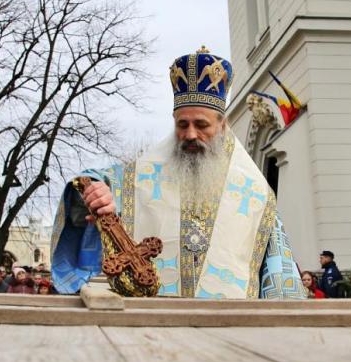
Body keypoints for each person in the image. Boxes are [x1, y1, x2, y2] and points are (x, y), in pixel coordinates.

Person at [51, 48, 306, 299]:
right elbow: (89, 183)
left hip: (230, 329)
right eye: (182, 125)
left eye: (202, 124)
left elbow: (280, 282)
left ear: (222, 124)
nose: (191, 134)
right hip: (154, 326)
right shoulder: (140, 175)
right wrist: (96, 191)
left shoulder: (256, 193)